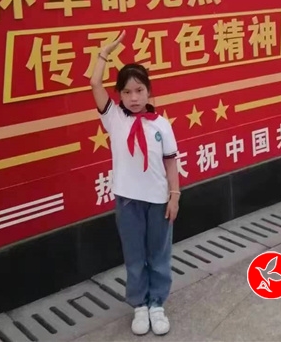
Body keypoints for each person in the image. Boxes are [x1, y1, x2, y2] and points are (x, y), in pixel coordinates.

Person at [90, 30, 181, 336]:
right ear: (120, 95)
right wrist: (104, 54)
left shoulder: (162, 125)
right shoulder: (114, 118)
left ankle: (157, 304)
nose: (134, 97)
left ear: (148, 91)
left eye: (139, 90)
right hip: (128, 201)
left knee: (159, 254)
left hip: (158, 200)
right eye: (127, 92)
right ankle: (139, 306)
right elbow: (95, 84)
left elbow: (170, 162)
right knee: (134, 257)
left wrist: (174, 196)